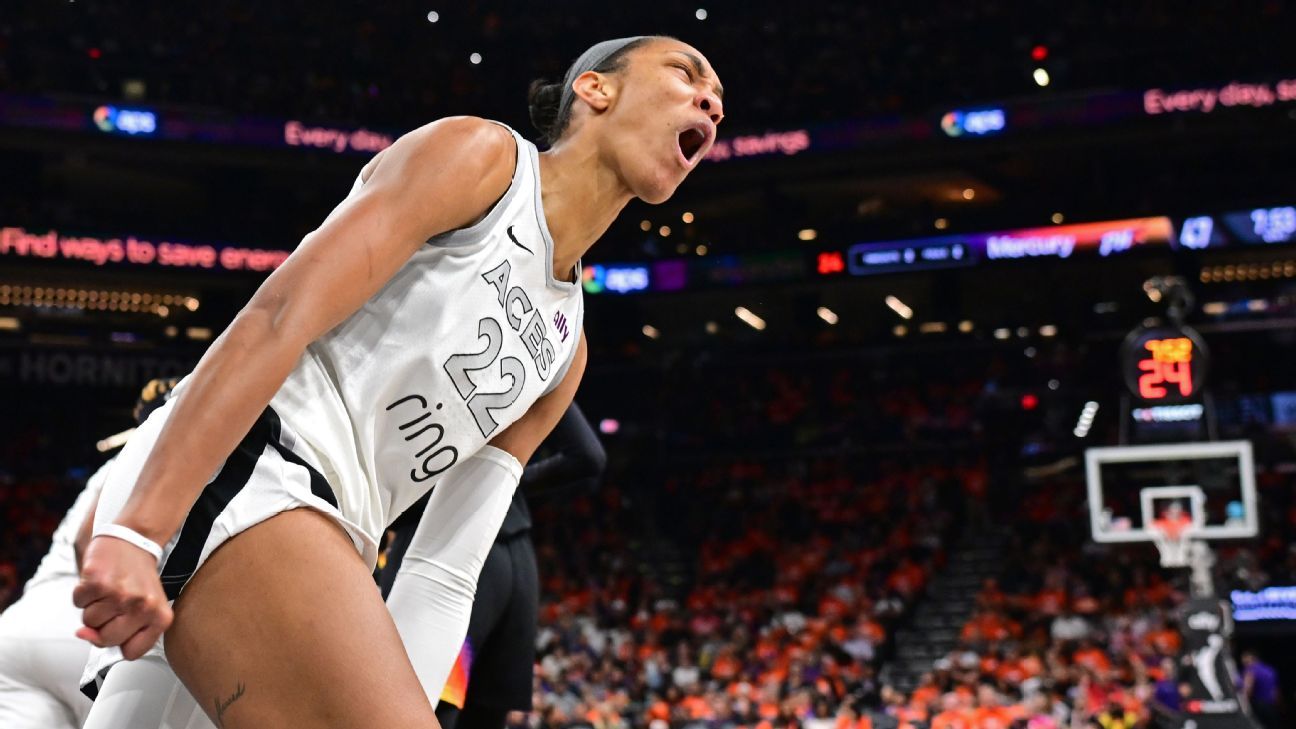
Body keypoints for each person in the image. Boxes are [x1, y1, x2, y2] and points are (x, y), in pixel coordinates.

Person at [74, 35, 723, 729]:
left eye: (718, 102)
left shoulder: (567, 350)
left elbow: (445, 567)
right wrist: (140, 526)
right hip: (252, 467)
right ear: (596, 88)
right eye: (686, 74)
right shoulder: (484, 160)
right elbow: (277, 315)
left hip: (331, 542)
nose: (710, 104)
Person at [379, 402, 606, 729]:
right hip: (518, 564)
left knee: (414, 709)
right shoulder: (540, 367)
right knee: (482, 719)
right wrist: (499, 484)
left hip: (440, 545)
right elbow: (588, 456)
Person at [0, 378, 176, 728]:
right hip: (86, 622)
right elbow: (87, 540)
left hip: (20, 627)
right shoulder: (168, 460)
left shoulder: (113, 463)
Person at [1241, 651, 1279, 728]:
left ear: (1252, 659)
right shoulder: (1270, 670)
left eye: (1246, 661)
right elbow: (1275, 690)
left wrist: (1244, 704)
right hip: (1270, 704)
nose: (1245, 664)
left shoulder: (1251, 670)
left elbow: (1248, 688)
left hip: (1258, 704)